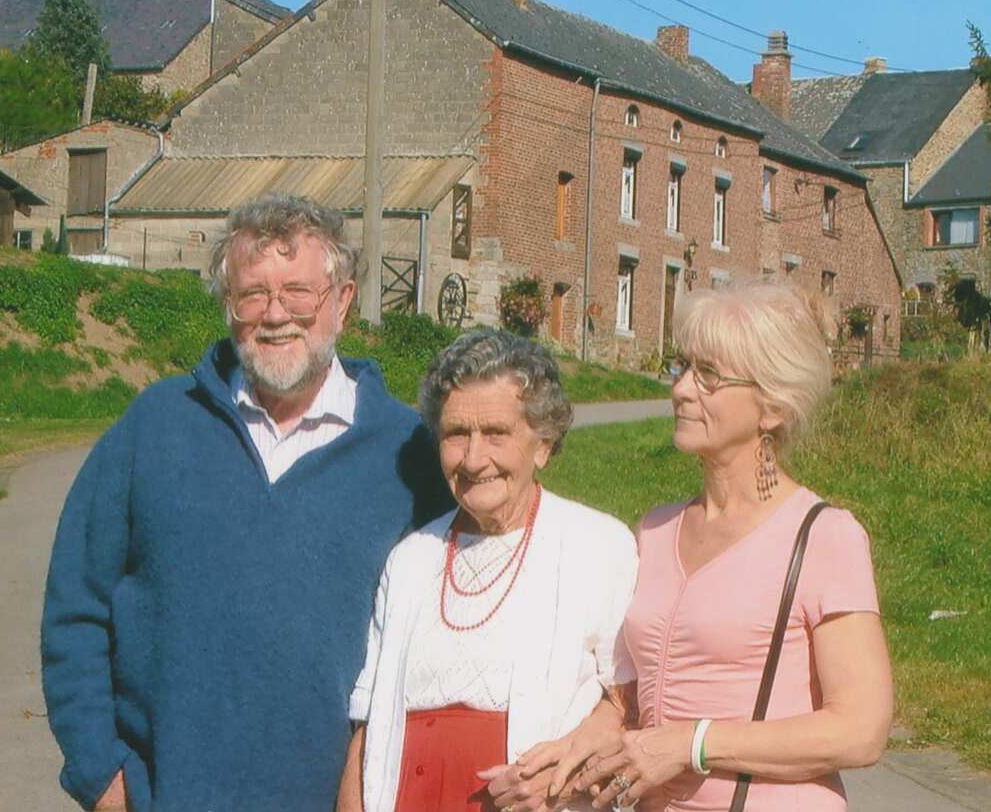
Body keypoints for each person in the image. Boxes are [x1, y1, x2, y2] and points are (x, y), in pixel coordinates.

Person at [40, 194, 451, 811]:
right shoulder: (157, 427)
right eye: (252, 294)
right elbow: (76, 606)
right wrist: (100, 773)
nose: (275, 314)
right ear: (229, 308)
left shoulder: (406, 455)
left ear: (341, 301)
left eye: (298, 291)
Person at [577, 282, 893, 811]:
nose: (680, 389)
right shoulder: (654, 530)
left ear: (771, 406)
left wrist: (692, 743)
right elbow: (636, 692)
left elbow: (861, 728)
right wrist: (583, 740)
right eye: (681, 368)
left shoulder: (822, 536)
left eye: (709, 376)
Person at [338, 330, 639, 812]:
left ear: (543, 444)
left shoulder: (599, 547)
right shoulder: (412, 558)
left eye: (496, 433)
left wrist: (565, 772)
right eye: (457, 434)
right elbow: (369, 724)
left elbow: (628, 707)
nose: (474, 459)